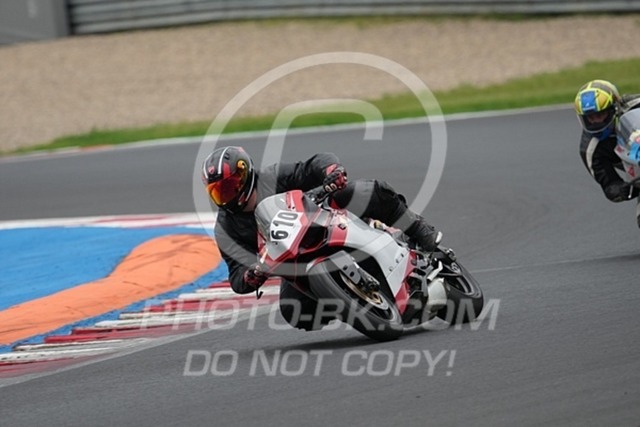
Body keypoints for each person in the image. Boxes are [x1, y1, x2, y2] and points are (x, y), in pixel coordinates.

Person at [201, 146, 440, 330]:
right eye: (218, 192)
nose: (226, 195)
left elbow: (313, 164)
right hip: (294, 262)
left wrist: (332, 171)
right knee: (294, 311)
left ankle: (418, 229)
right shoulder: (225, 228)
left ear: (245, 174)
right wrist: (249, 276)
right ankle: (350, 303)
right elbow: (236, 273)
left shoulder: (273, 177)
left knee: (361, 192)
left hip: (322, 222)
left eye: (230, 186)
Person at [576, 80, 640, 225]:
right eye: (591, 118)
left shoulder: (635, 104)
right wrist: (623, 190)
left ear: (614, 108)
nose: (596, 122)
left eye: (601, 115)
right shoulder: (590, 149)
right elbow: (610, 185)